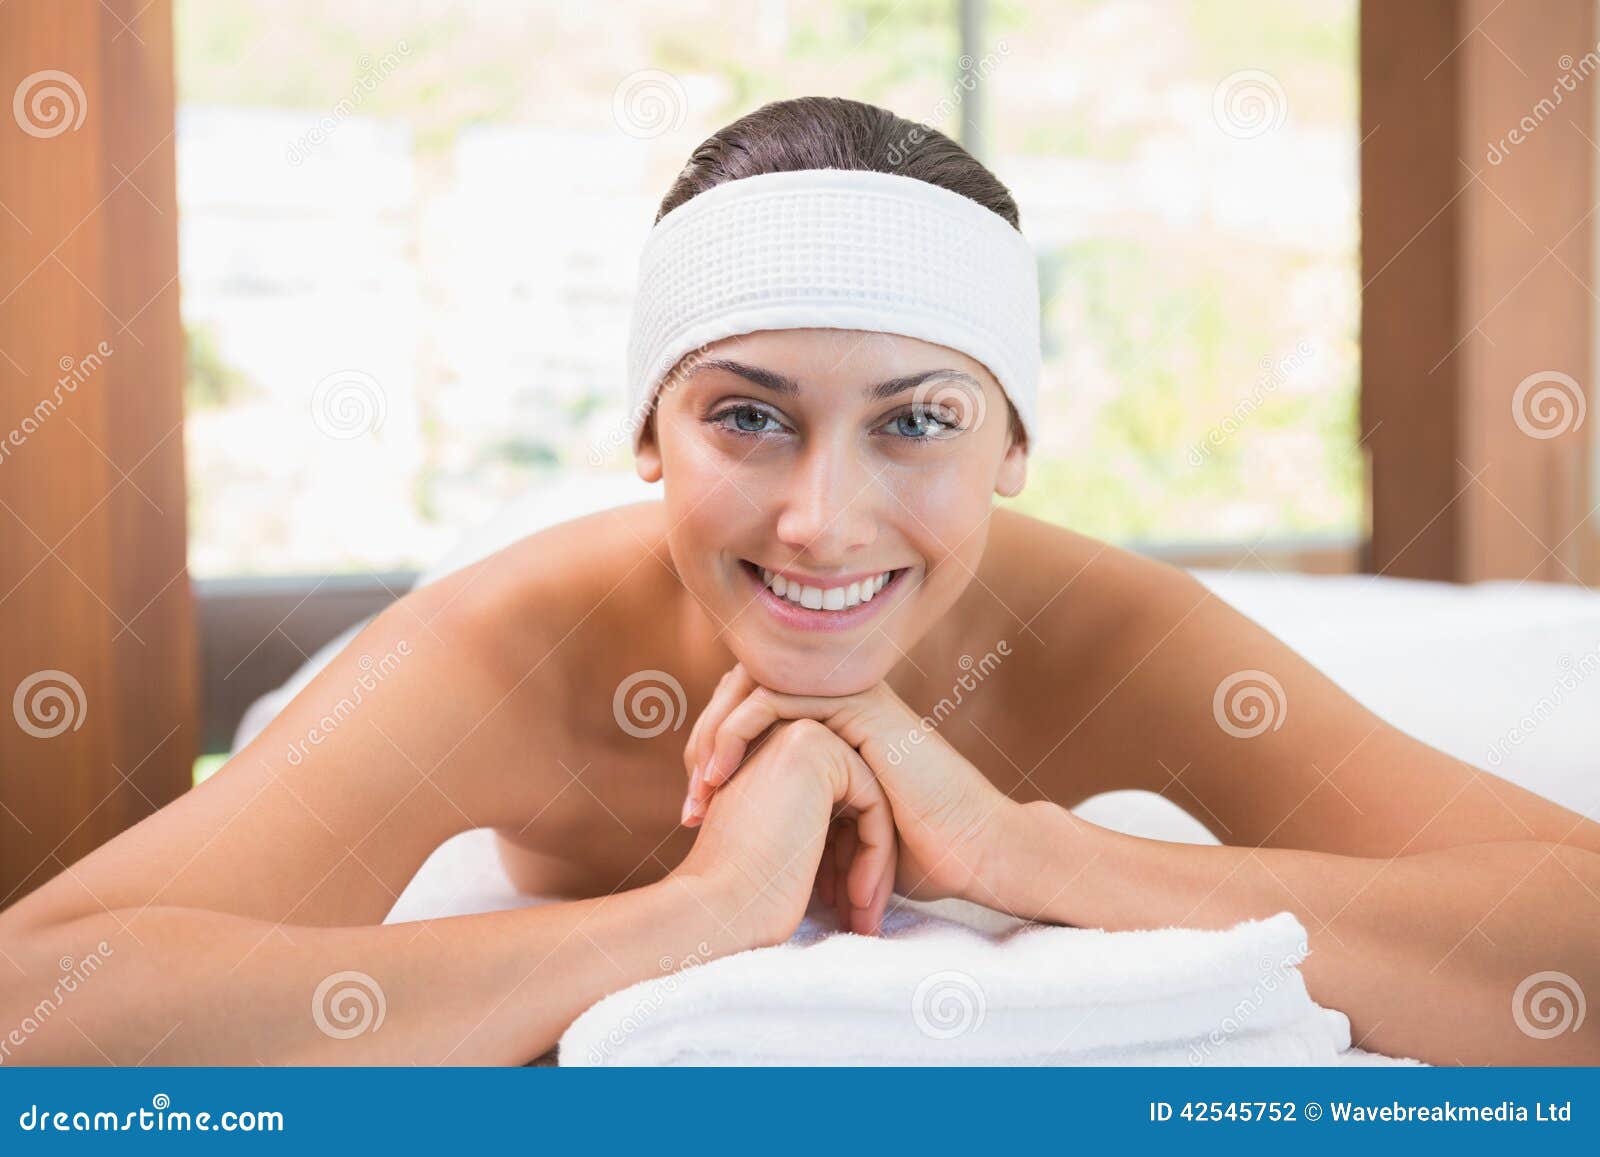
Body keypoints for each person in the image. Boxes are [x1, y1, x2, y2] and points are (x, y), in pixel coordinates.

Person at [1, 97, 1596, 1067]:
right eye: (748, 416)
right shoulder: (514, 651)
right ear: (648, 435)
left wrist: (1033, 850)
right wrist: (686, 919)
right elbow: (33, 1012)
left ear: (1015, 448)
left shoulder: (1108, 634)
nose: (824, 522)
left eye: (918, 422)